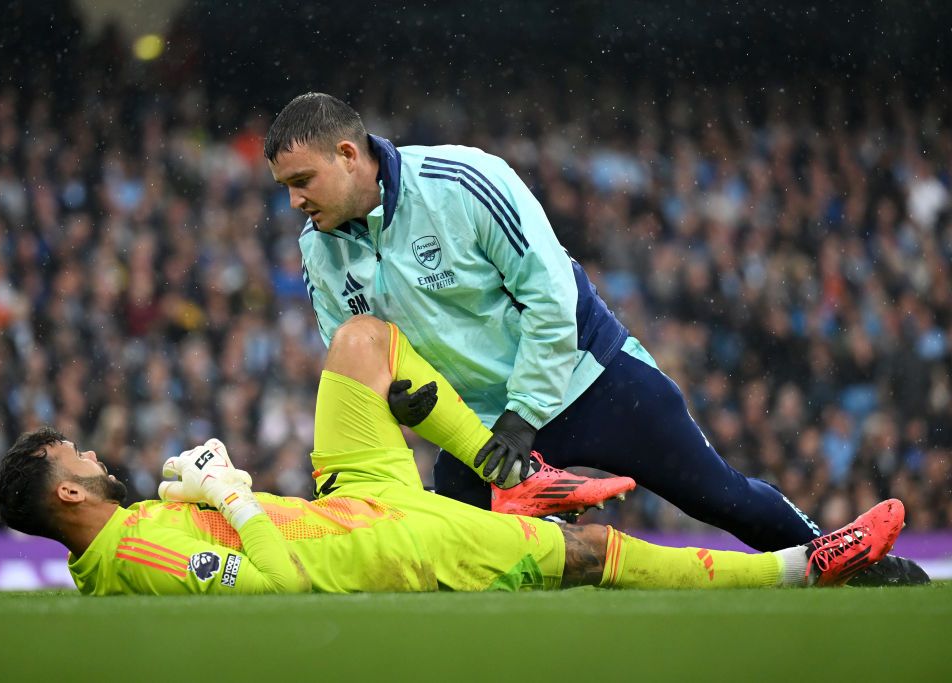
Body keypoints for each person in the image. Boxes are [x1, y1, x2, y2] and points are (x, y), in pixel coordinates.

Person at [265, 93, 927, 585]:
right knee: (453, 561)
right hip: (476, 429)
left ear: (348, 155)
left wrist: (522, 415)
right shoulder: (318, 251)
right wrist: (412, 406)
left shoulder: (463, 182)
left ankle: (849, 565)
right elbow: (359, 354)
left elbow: (551, 294)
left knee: (717, 495)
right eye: (285, 188)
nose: (295, 201)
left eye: (302, 182)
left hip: (592, 379)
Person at [0, 315, 905, 595]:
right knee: (585, 556)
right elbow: (276, 590)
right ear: (69, 490)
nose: (96, 451)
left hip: (352, 494)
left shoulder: (123, 544)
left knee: (361, 342)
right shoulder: (143, 549)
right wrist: (231, 492)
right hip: (378, 542)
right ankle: (796, 568)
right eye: (80, 454)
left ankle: (516, 472)